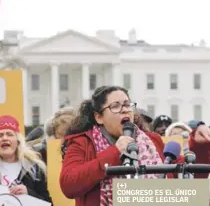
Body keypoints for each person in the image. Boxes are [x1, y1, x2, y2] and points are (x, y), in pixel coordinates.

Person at [60, 86, 210, 206]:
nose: (125, 109)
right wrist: (115, 153)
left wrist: (200, 146)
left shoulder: (152, 141)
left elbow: (192, 180)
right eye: (115, 106)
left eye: (127, 105)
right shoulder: (82, 142)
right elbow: (69, 185)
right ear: (99, 117)